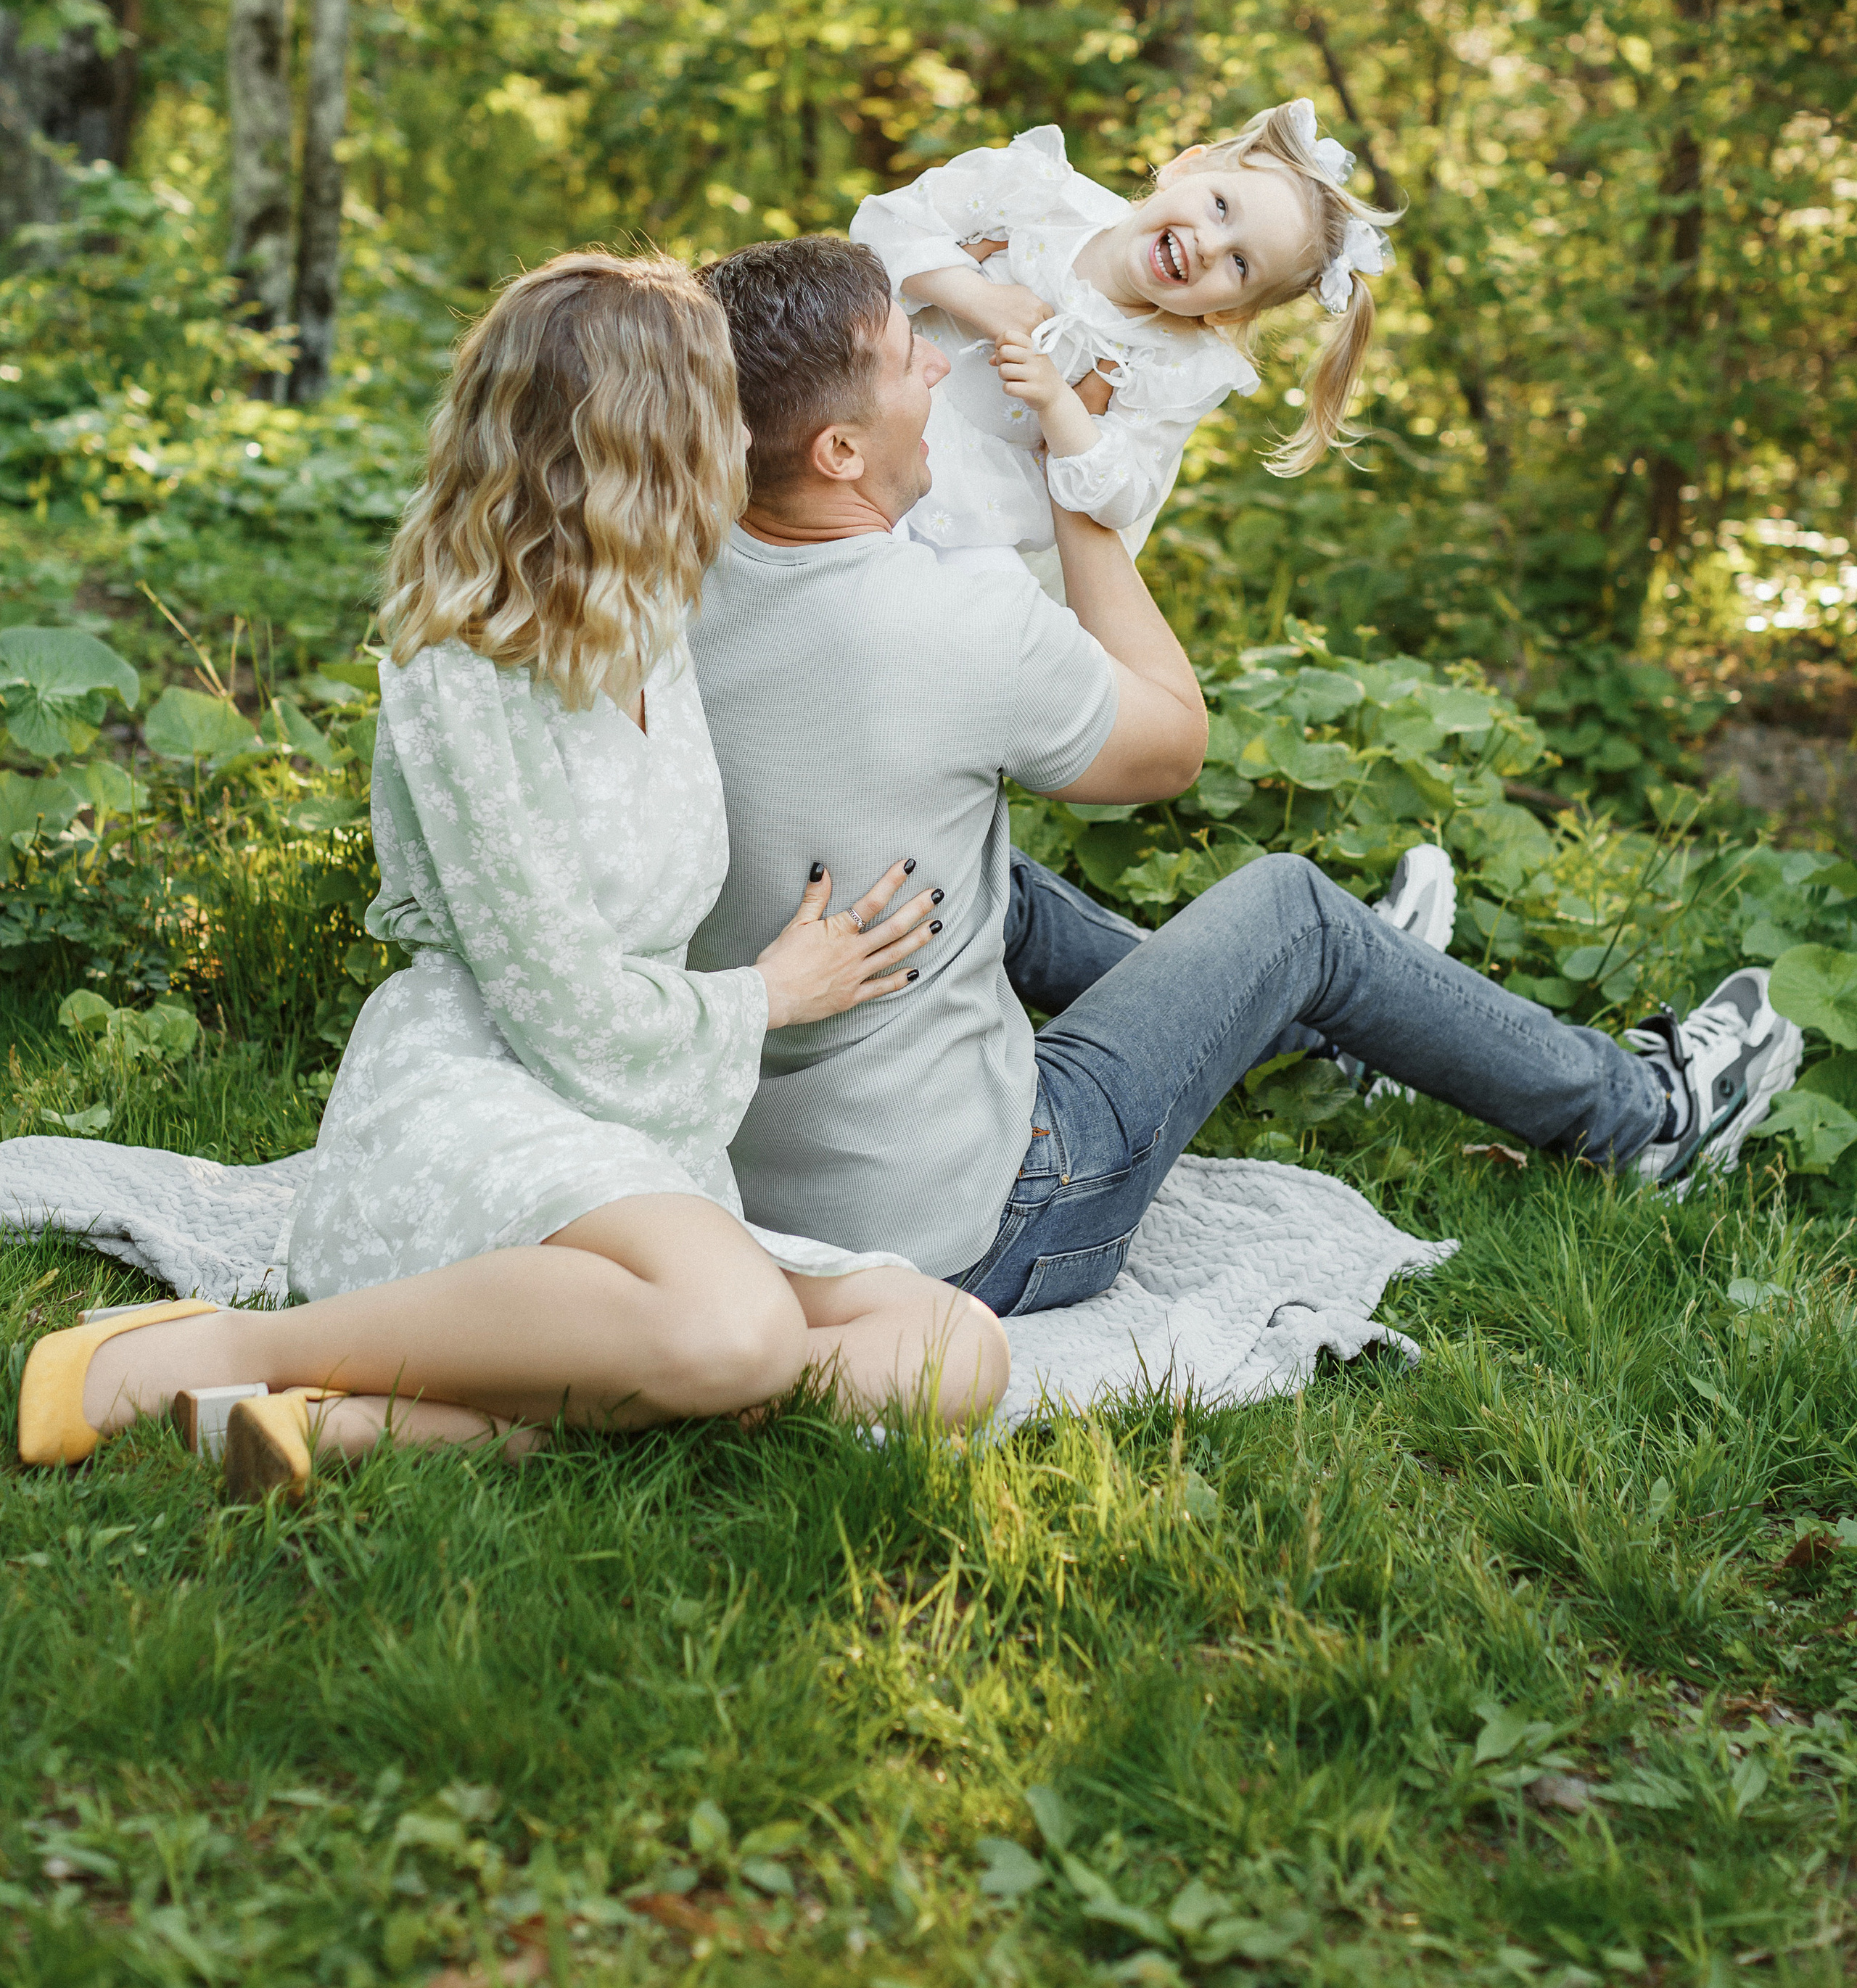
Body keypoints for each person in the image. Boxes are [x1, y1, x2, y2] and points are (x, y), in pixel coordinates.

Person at [19, 253, 1008, 1494]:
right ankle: (217, 1350)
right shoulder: (463, 673)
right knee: (737, 1333)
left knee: (951, 1347)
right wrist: (771, 994)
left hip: (634, 1130)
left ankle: (339, 1425)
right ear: (653, 439)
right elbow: (562, 1012)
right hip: (482, 1093)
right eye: (721, 405)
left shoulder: (661, 623)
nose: (746, 431)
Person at [685, 233, 1803, 1319]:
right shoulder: (950, 620)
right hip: (981, 1234)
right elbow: (1173, 745)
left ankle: (1339, 1032)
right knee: (1292, 914)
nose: (939, 363)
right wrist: (1079, 472)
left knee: (991, 884)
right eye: (904, 356)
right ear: (839, 451)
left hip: (764, 1207)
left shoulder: (664, 579)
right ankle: (1648, 1117)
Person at [847, 100, 1388, 593]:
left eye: (1241, 264)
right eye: (1221, 206)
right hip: (865, 415)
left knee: (980, 629)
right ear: (1186, 167)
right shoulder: (1040, 196)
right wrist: (977, 297)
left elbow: (1122, 496)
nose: (1210, 244)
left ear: (1233, 311)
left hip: (975, 518)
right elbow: (882, 229)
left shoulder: (1173, 362)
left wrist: (1058, 404)